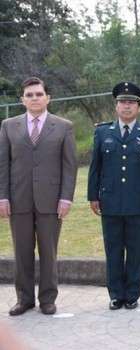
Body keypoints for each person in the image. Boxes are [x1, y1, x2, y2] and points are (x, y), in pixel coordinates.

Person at [0, 77, 78, 316]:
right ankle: (24, 299)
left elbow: (70, 166)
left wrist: (66, 198)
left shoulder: (63, 126)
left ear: (48, 98)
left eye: (38, 94)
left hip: (51, 200)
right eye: (29, 95)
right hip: (18, 198)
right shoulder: (8, 126)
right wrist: (3, 197)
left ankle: (47, 299)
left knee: (48, 250)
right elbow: (3, 164)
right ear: (22, 99)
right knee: (21, 251)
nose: (34, 98)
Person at [87, 82, 140, 310]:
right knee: (113, 249)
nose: (126, 106)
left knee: (136, 249)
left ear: (139, 107)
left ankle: (132, 294)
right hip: (109, 201)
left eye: (131, 102)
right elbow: (95, 168)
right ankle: (115, 294)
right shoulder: (102, 132)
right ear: (116, 105)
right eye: (122, 102)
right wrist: (93, 196)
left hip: (139, 202)